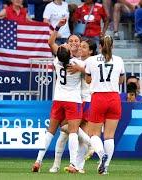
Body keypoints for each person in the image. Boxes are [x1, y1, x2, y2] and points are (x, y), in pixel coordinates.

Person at [32, 45, 90, 173]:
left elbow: (56, 49)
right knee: (73, 132)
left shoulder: (56, 62)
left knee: (50, 132)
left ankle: (38, 161)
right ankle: (73, 163)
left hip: (58, 99)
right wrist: (80, 68)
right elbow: (91, 72)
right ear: (69, 52)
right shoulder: (78, 63)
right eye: (67, 45)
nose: (67, 44)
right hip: (73, 100)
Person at [49, 39, 98, 174]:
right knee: (66, 132)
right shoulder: (76, 61)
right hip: (76, 100)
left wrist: (80, 69)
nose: (80, 48)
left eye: (83, 46)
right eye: (79, 45)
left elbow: (94, 76)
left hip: (85, 100)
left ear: (91, 51)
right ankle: (61, 164)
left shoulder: (90, 62)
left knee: (71, 132)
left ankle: (77, 164)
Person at [85, 35, 125, 174]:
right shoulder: (119, 60)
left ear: (100, 46)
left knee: (93, 134)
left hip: (98, 97)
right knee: (109, 136)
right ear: (112, 46)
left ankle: (102, 155)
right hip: (114, 98)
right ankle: (105, 168)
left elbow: (88, 80)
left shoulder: (91, 60)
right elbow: (121, 80)